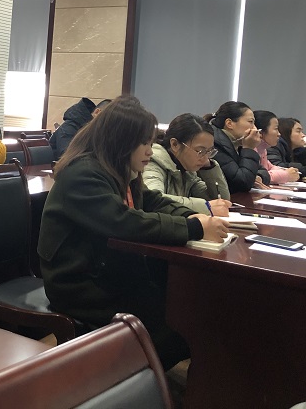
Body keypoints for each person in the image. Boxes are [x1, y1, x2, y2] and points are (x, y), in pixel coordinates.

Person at [37, 96, 228, 370]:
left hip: (110, 271)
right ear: (121, 140)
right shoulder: (83, 173)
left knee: (185, 311)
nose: (150, 151)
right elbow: (123, 221)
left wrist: (191, 216)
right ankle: (122, 380)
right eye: (144, 143)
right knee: (177, 332)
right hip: (80, 283)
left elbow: (152, 201)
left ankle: (142, 374)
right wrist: (193, 228)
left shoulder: (119, 168)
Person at [143, 113, 231, 216]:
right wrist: (205, 207)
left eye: (209, 151)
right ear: (175, 145)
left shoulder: (186, 169)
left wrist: (209, 168)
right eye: (200, 151)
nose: (205, 158)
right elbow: (154, 200)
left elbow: (221, 202)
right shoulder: (152, 163)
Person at [206, 101, 265, 192]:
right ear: (229, 123)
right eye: (250, 122)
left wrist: (259, 177)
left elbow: (264, 172)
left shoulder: (238, 142)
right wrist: (249, 148)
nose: (255, 128)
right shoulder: (214, 144)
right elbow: (243, 183)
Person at [252, 110, 300, 184]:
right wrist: (286, 175)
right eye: (276, 129)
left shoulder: (262, 149)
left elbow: (270, 167)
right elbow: (256, 176)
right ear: (261, 131)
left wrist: (287, 171)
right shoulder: (250, 149)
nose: (279, 134)